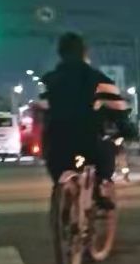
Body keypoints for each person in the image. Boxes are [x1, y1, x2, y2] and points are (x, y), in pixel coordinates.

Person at [36, 32, 131, 206]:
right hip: (87, 141)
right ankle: (100, 189)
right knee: (108, 150)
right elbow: (118, 109)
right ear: (84, 53)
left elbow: (41, 108)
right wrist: (127, 128)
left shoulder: (49, 80)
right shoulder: (97, 79)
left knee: (59, 169)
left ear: (60, 53)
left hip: (55, 143)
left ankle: (63, 194)